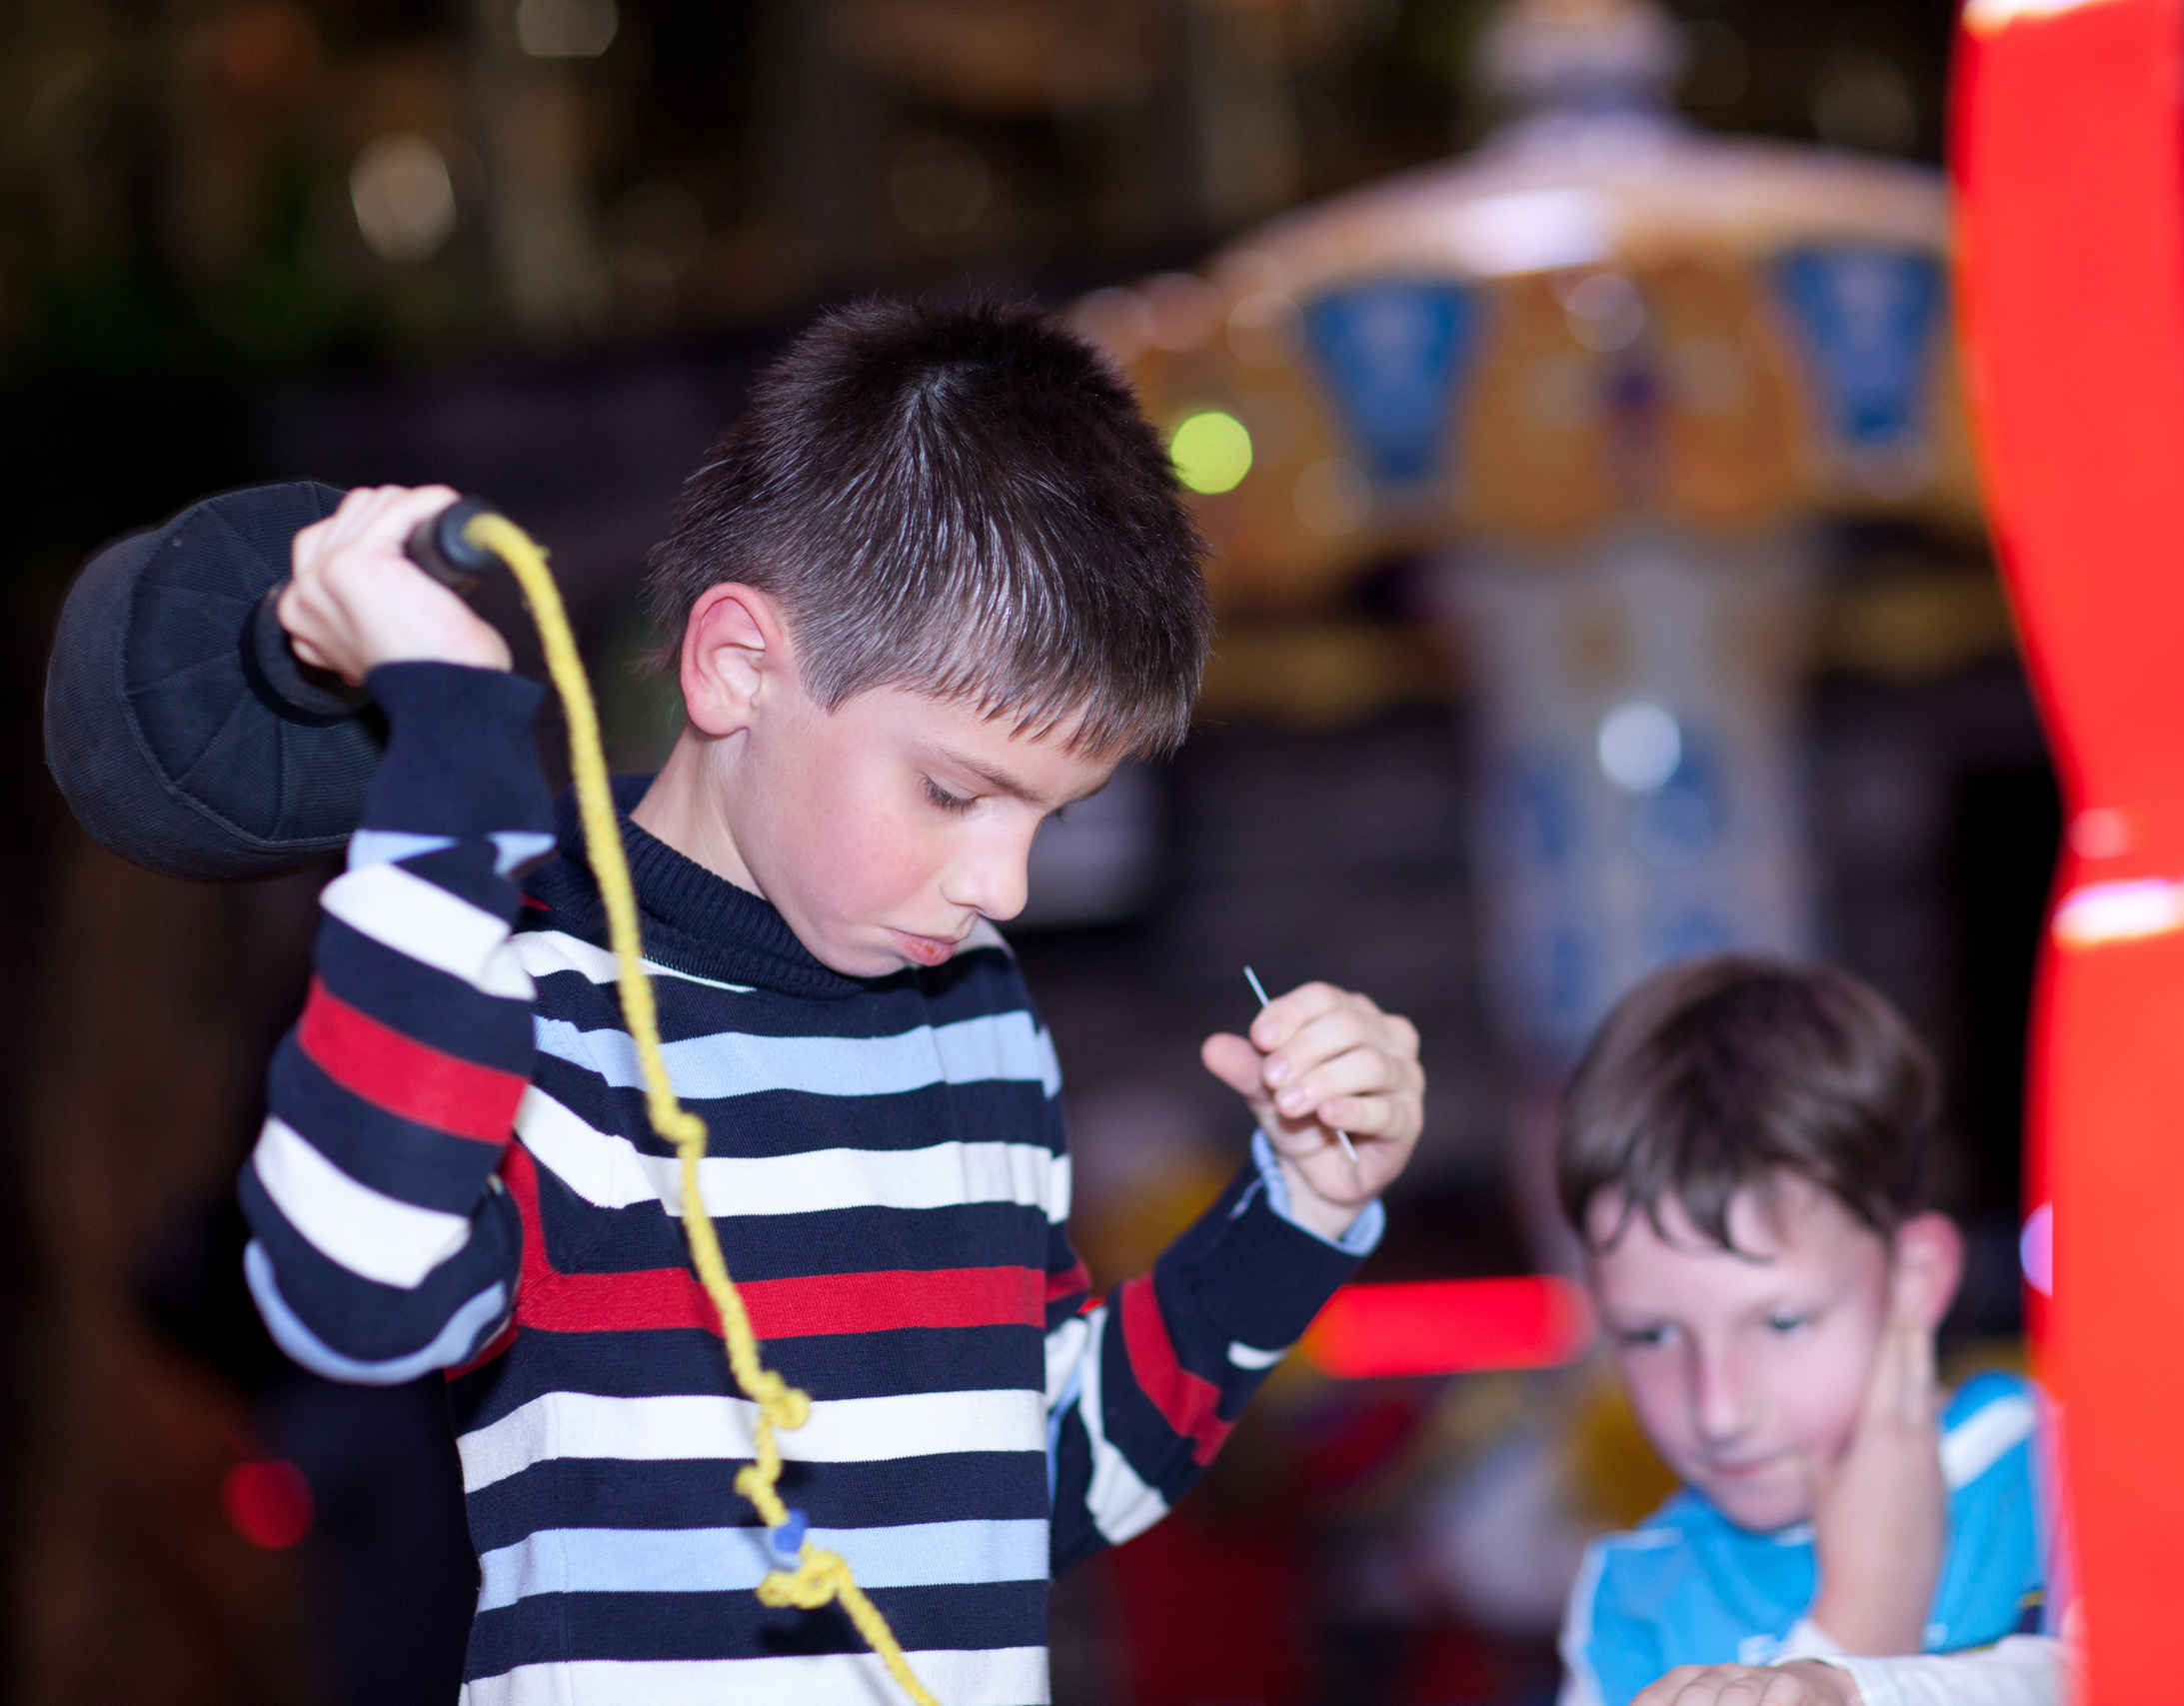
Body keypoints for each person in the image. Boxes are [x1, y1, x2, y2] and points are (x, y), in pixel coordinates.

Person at [236, 301, 1427, 1705]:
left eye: (1058, 814)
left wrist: (1296, 1209)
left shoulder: (973, 1017)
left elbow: (1035, 1479)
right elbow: (344, 1295)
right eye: (953, 789)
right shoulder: (521, 980)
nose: (1006, 884)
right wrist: (443, 740)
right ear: (739, 665)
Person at [1554, 957, 2066, 1706]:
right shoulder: (1631, 1602)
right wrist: (1863, 1616)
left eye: (1783, 1321)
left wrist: (1852, 1685)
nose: (1719, 1410)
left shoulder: (2063, 1474)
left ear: (1913, 1277)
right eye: (1652, 1336)